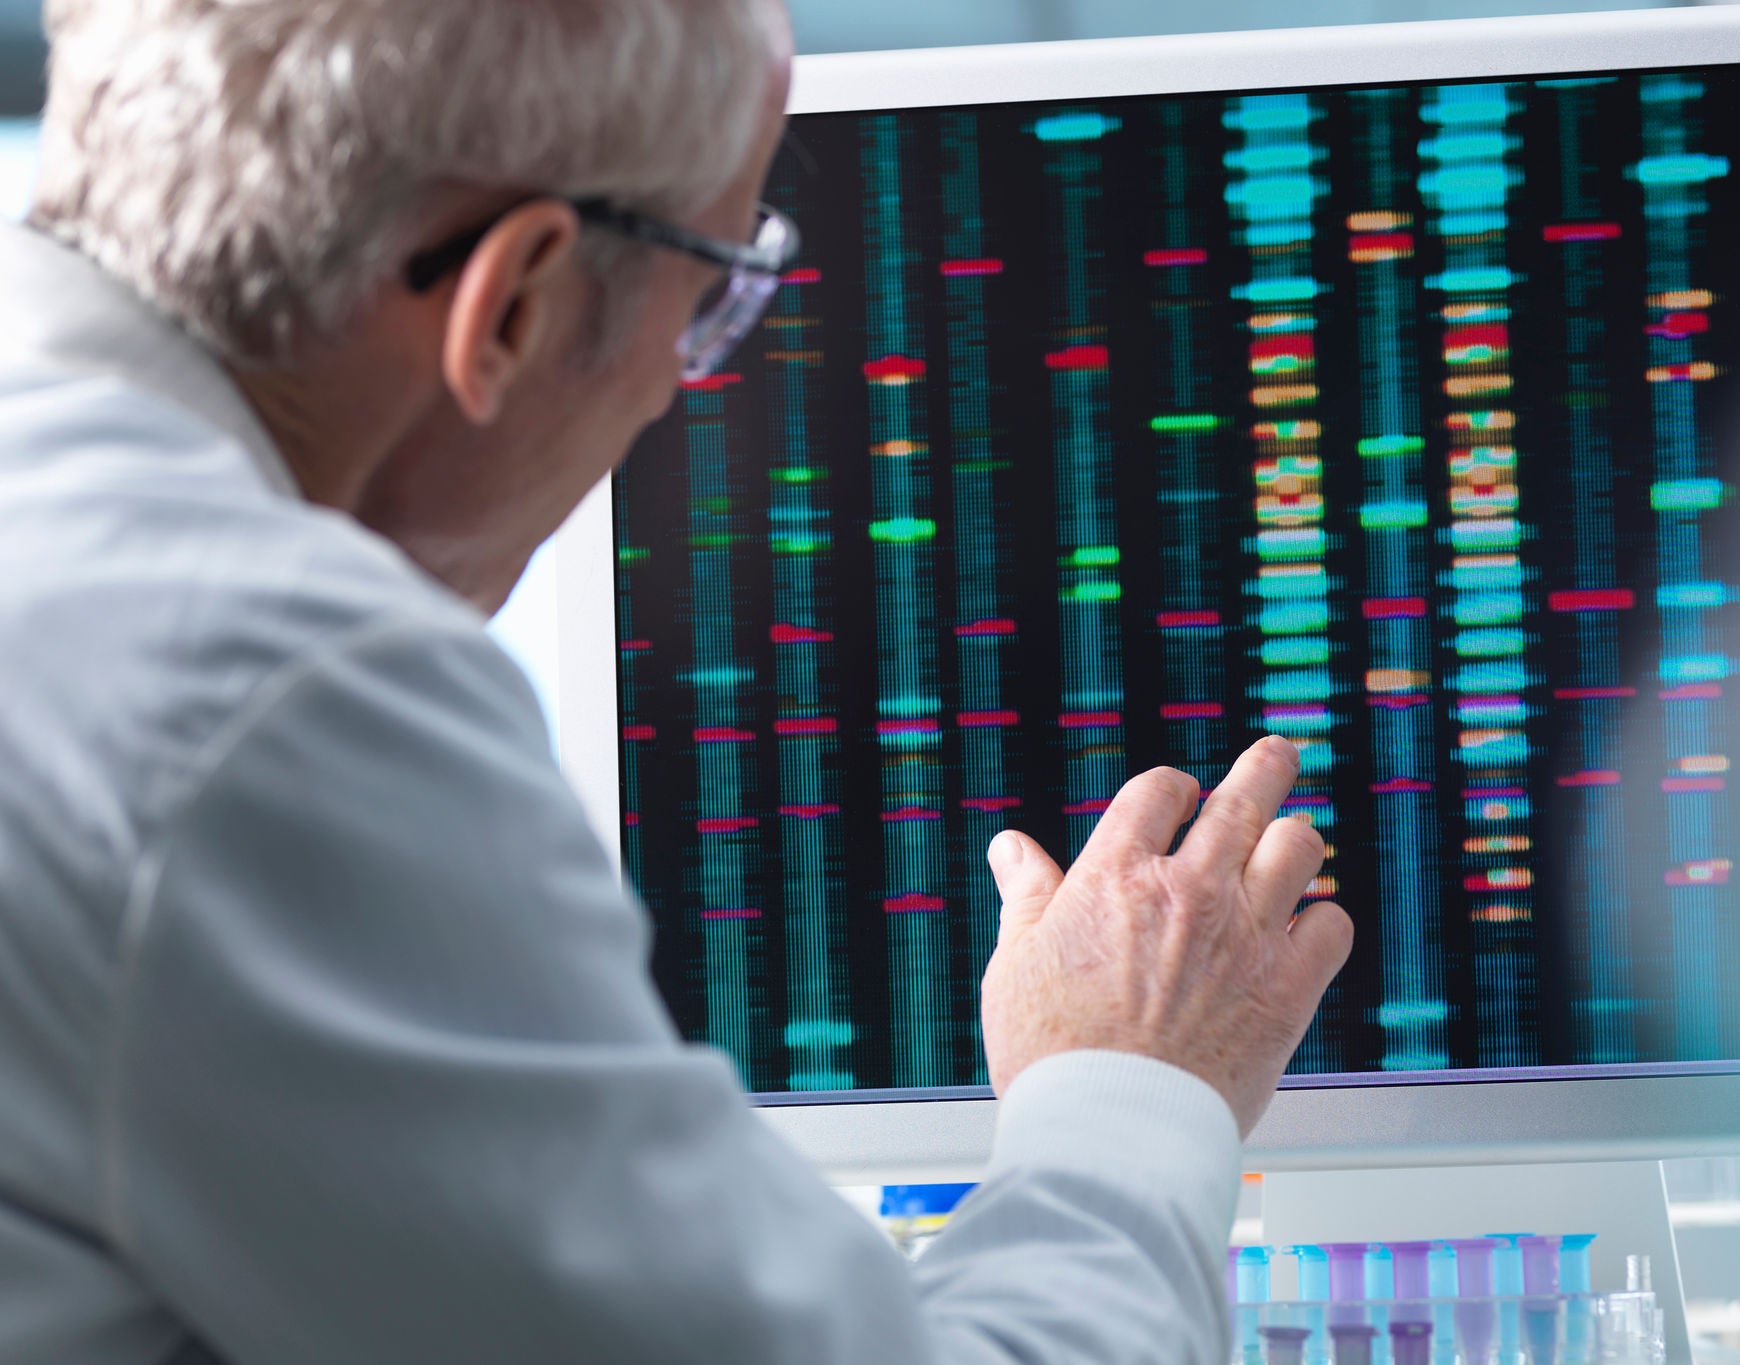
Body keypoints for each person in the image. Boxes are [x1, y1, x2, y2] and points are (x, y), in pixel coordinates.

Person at [0, 1, 1353, 1361]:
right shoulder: (271, 689)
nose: (680, 387)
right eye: (714, 295)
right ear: (513, 299)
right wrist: (1127, 1085)